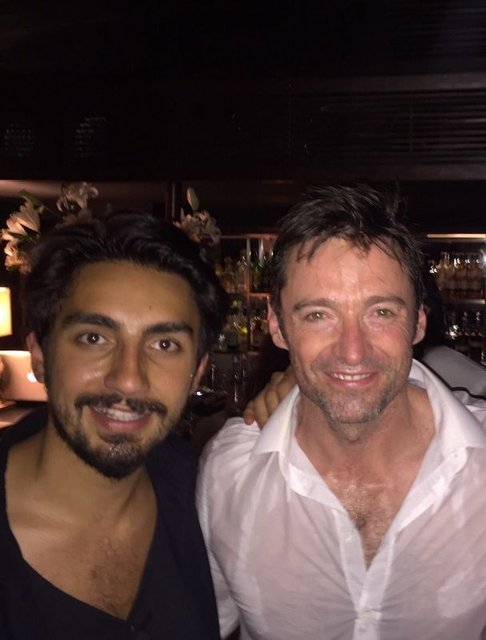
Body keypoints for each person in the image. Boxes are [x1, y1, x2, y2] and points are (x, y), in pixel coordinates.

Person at [197, 185, 486, 640]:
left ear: (419, 321)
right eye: (318, 315)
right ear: (277, 325)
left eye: (381, 312)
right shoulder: (228, 472)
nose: (353, 351)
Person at [0, 210, 228, 639]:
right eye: (94, 338)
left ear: (197, 372)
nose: (128, 379)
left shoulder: (201, 490)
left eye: (164, 344)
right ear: (40, 355)